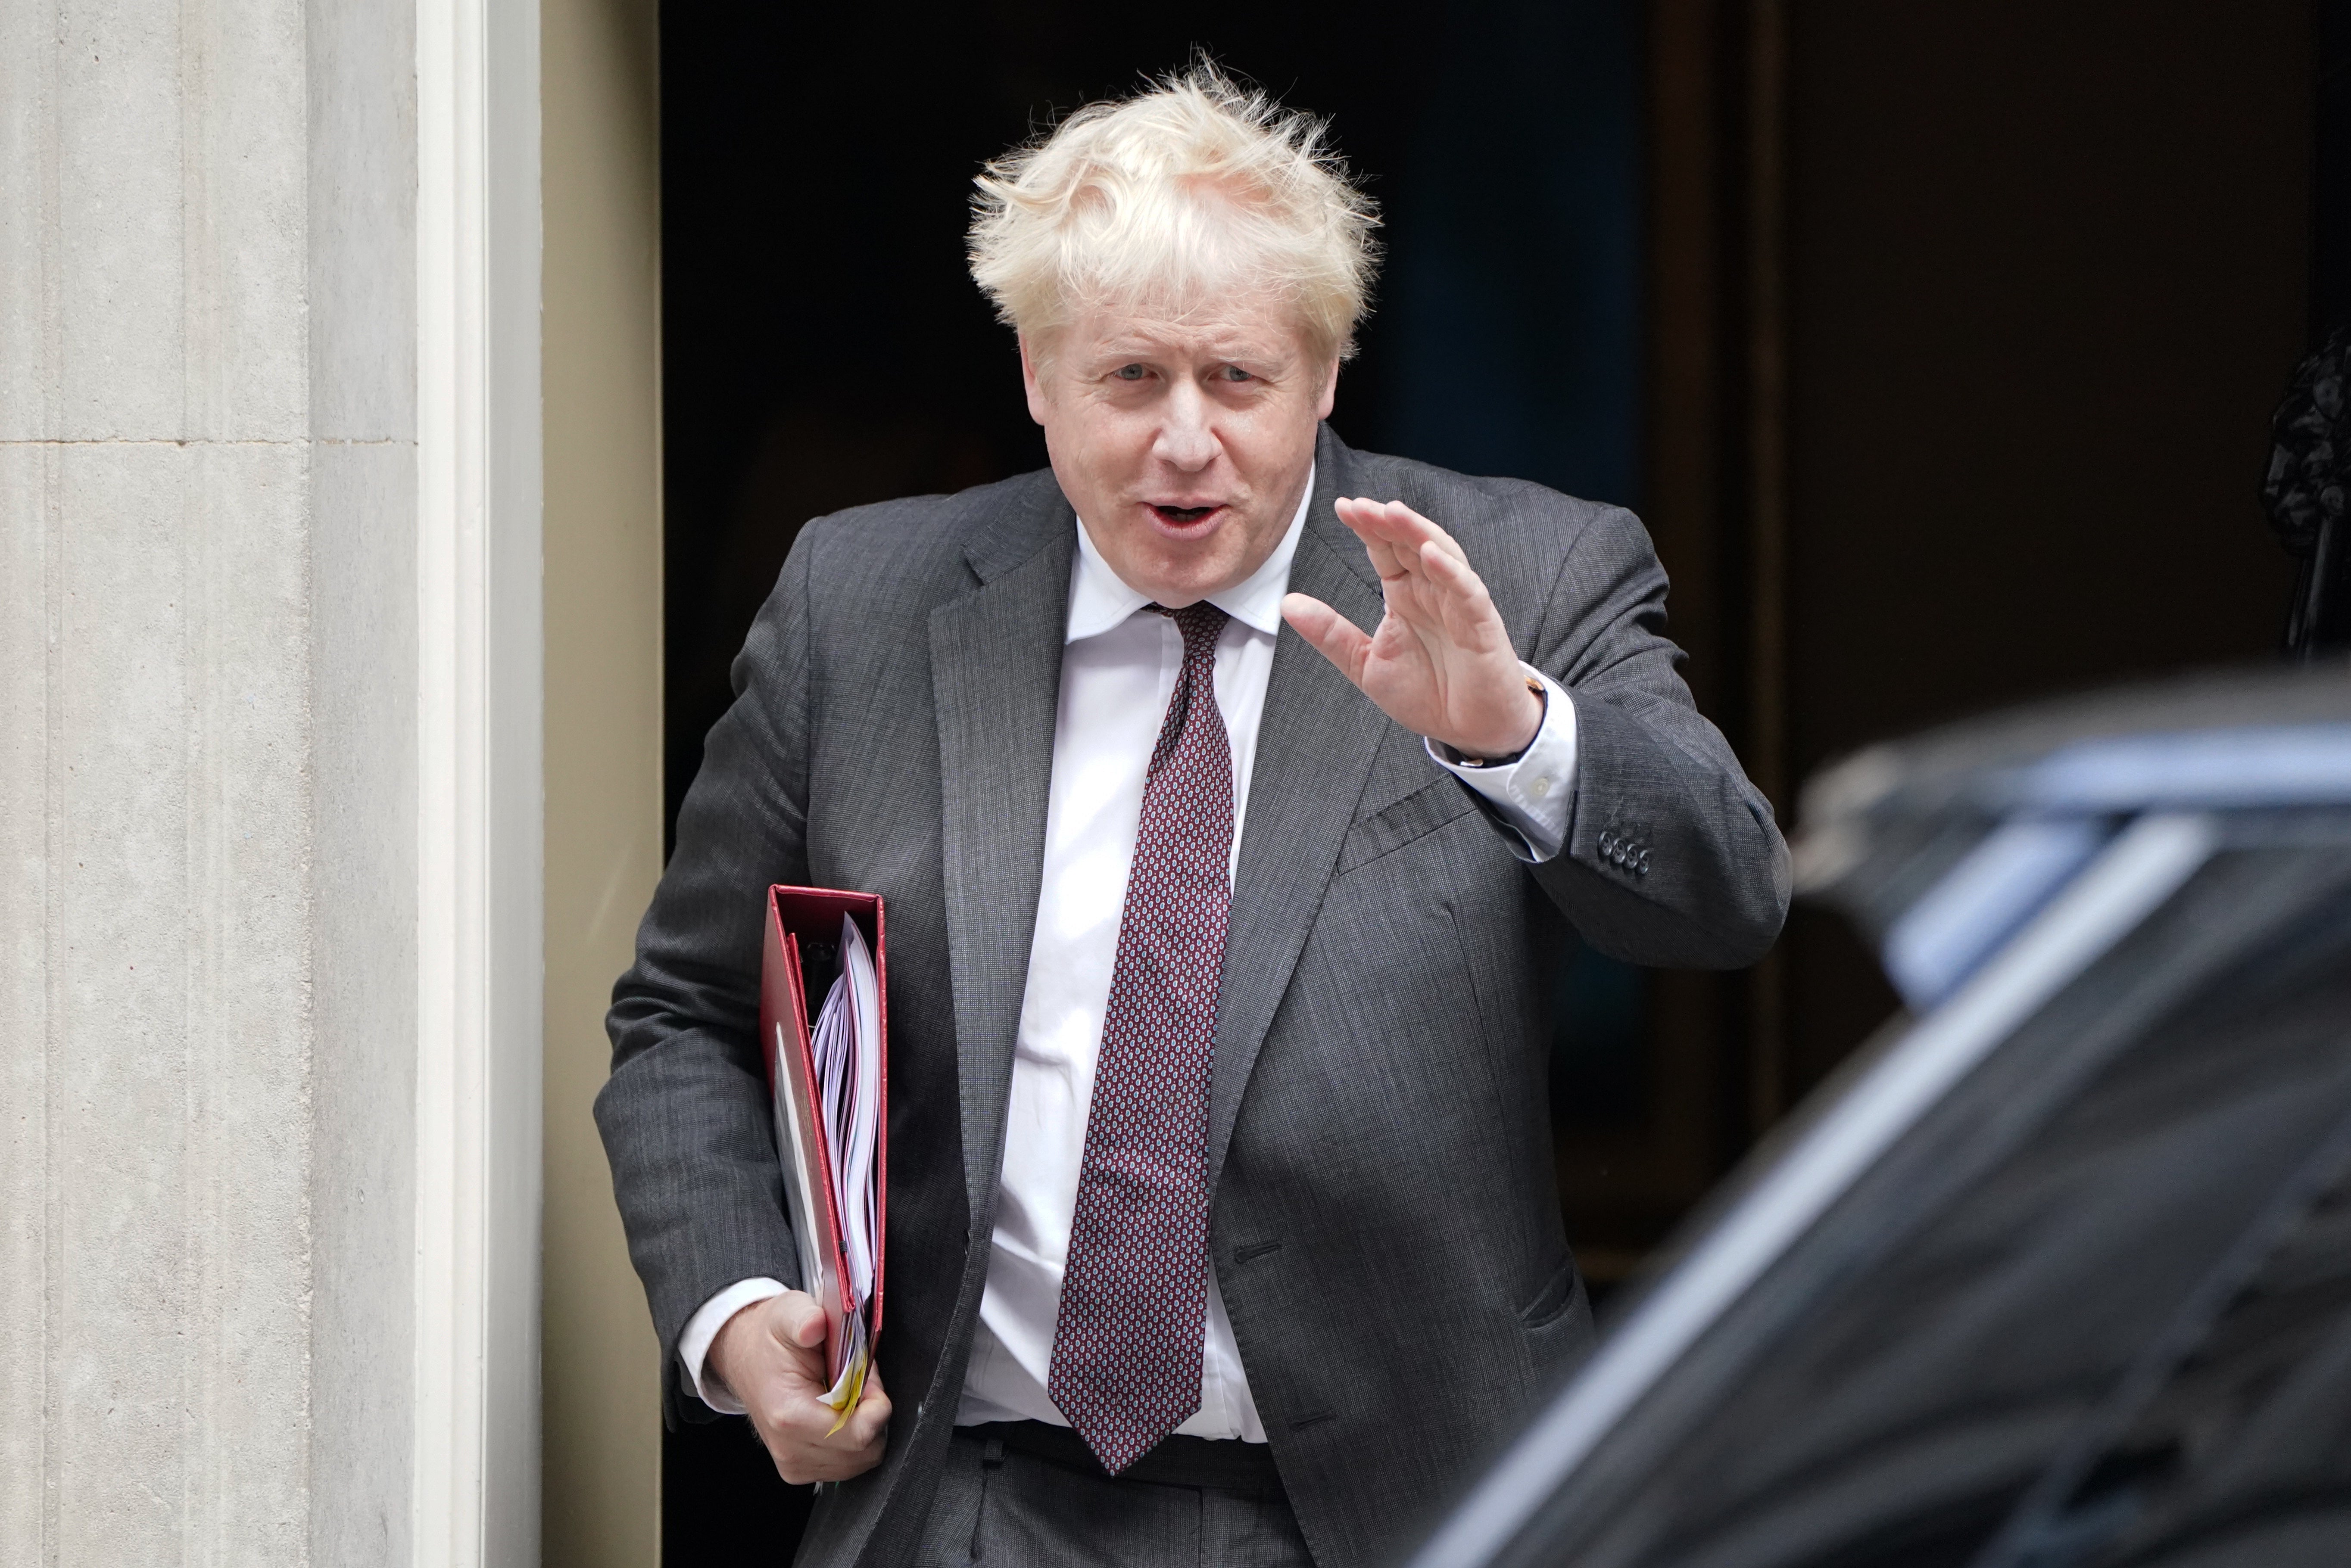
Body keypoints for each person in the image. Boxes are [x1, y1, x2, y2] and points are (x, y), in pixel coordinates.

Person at [598, 65, 1788, 1568]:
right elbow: (686, 1015)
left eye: (1237, 380)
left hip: (1394, 1509)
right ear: (1036, 375)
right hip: (966, 1503)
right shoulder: (865, 606)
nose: (1185, 441)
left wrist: (1513, 734)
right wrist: (738, 1307)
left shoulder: (1522, 578)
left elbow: (1726, 895)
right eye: (1129, 380)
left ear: (1328, 372)